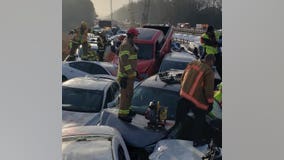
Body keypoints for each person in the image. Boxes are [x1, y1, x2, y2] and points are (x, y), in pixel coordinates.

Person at [171, 54, 216, 146]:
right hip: (196, 100)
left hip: (184, 95)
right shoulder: (208, 71)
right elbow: (209, 89)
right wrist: (210, 103)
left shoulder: (193, 63)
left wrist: (184, 88)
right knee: (199, 119)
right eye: (213, 63)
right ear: (210, 61)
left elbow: (183, 77)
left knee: (180, 118)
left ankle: (175, 135)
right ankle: (197, 140)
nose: (212, 65)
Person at [117, 27, 139, 122]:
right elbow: (124, 61)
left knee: (129, 94)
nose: (136, 38)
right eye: (135, 36)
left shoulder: (130, 44)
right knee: (125, 95)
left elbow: (132, 59)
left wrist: (135, 71)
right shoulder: (125, 45)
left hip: (130, 75)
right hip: (125, 76)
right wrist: (130, 72)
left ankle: (127, 110)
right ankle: (122, 114)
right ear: (131, 36)